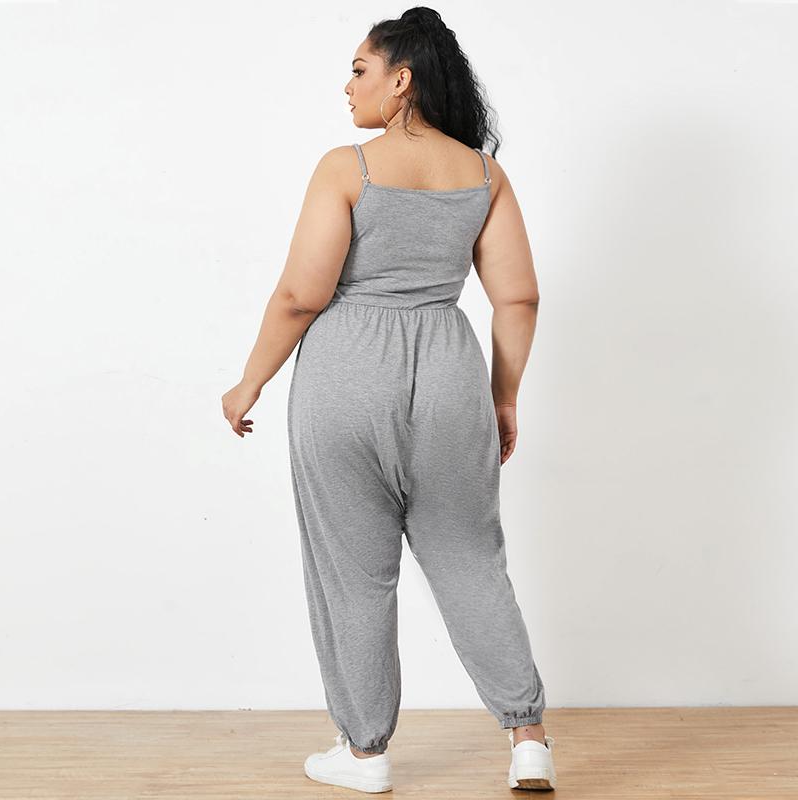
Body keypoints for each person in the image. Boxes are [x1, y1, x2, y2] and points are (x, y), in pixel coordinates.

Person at [221, 6, 556, 793]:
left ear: (401, 81)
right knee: (471, 560)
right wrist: (504, 398)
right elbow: (519, 297)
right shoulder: (484, 175)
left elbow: (302, 295)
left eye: (359, 70)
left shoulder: (348, 168)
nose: (347, 87)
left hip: (346, 377)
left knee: (354, 573)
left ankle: (365, 754)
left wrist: (250, 380)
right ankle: (529, 741)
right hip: (450, 377)